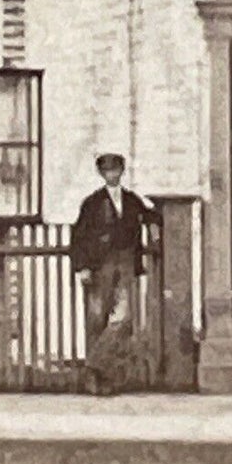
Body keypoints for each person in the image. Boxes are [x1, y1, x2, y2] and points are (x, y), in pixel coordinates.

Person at [68, 152, 158, 390]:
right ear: (101, 174)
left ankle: (92, 365)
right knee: (97, 318)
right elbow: (79, 237)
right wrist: (83, 267)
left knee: (123, 318)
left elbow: (151, 215)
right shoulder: (92, 203)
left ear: (122, 172)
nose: (112, 175)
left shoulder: (131, 200)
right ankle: (98, 380)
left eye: (116, 170)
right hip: (101, 265)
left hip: (126, 262)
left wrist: (155, 225)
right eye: (107, 171)